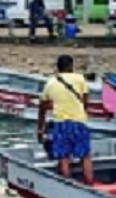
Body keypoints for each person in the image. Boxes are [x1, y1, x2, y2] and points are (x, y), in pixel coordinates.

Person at [37, 54, 94, 184]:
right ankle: (90, 184)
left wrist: (40, 129)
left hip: (60, 123)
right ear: (71, 66)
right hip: (79, 122)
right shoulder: (80, 79)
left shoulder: (50, 83)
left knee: (63, 157)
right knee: (85, 156)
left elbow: (42, 109)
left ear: (57, 68)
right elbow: (85, 103)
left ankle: (68, 185)